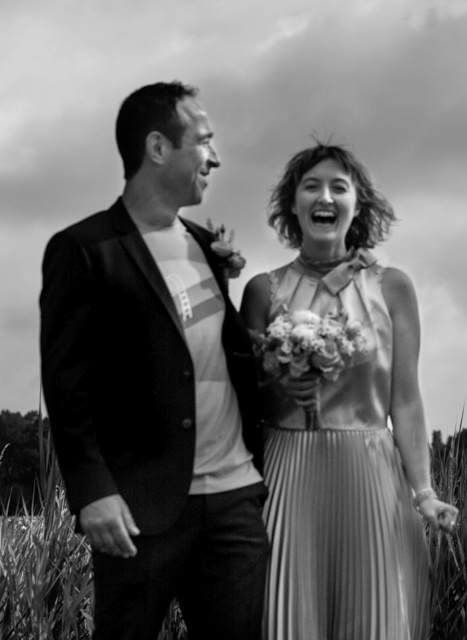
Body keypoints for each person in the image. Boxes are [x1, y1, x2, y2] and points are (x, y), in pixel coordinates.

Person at [39, 81, 269, 640]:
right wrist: (93, 491)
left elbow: (214, 357)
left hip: (235, 502)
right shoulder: (83, 249)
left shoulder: (206, 244)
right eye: (204, 141)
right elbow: (67, 387)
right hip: (139, 509)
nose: (215, 157)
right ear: (159, 148)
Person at [241, 142, 459, 639]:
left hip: (371, 476)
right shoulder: (261, 291)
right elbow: (244, 402)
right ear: (292, 204)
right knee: (282, 618)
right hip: (285, 476)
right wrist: (281, 383)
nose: (325, 197)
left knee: (374, 619)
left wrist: (424, 493)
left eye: (339, 187)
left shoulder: (392, 287)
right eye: (311, 186)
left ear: (357, 205)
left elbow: (405, 400)